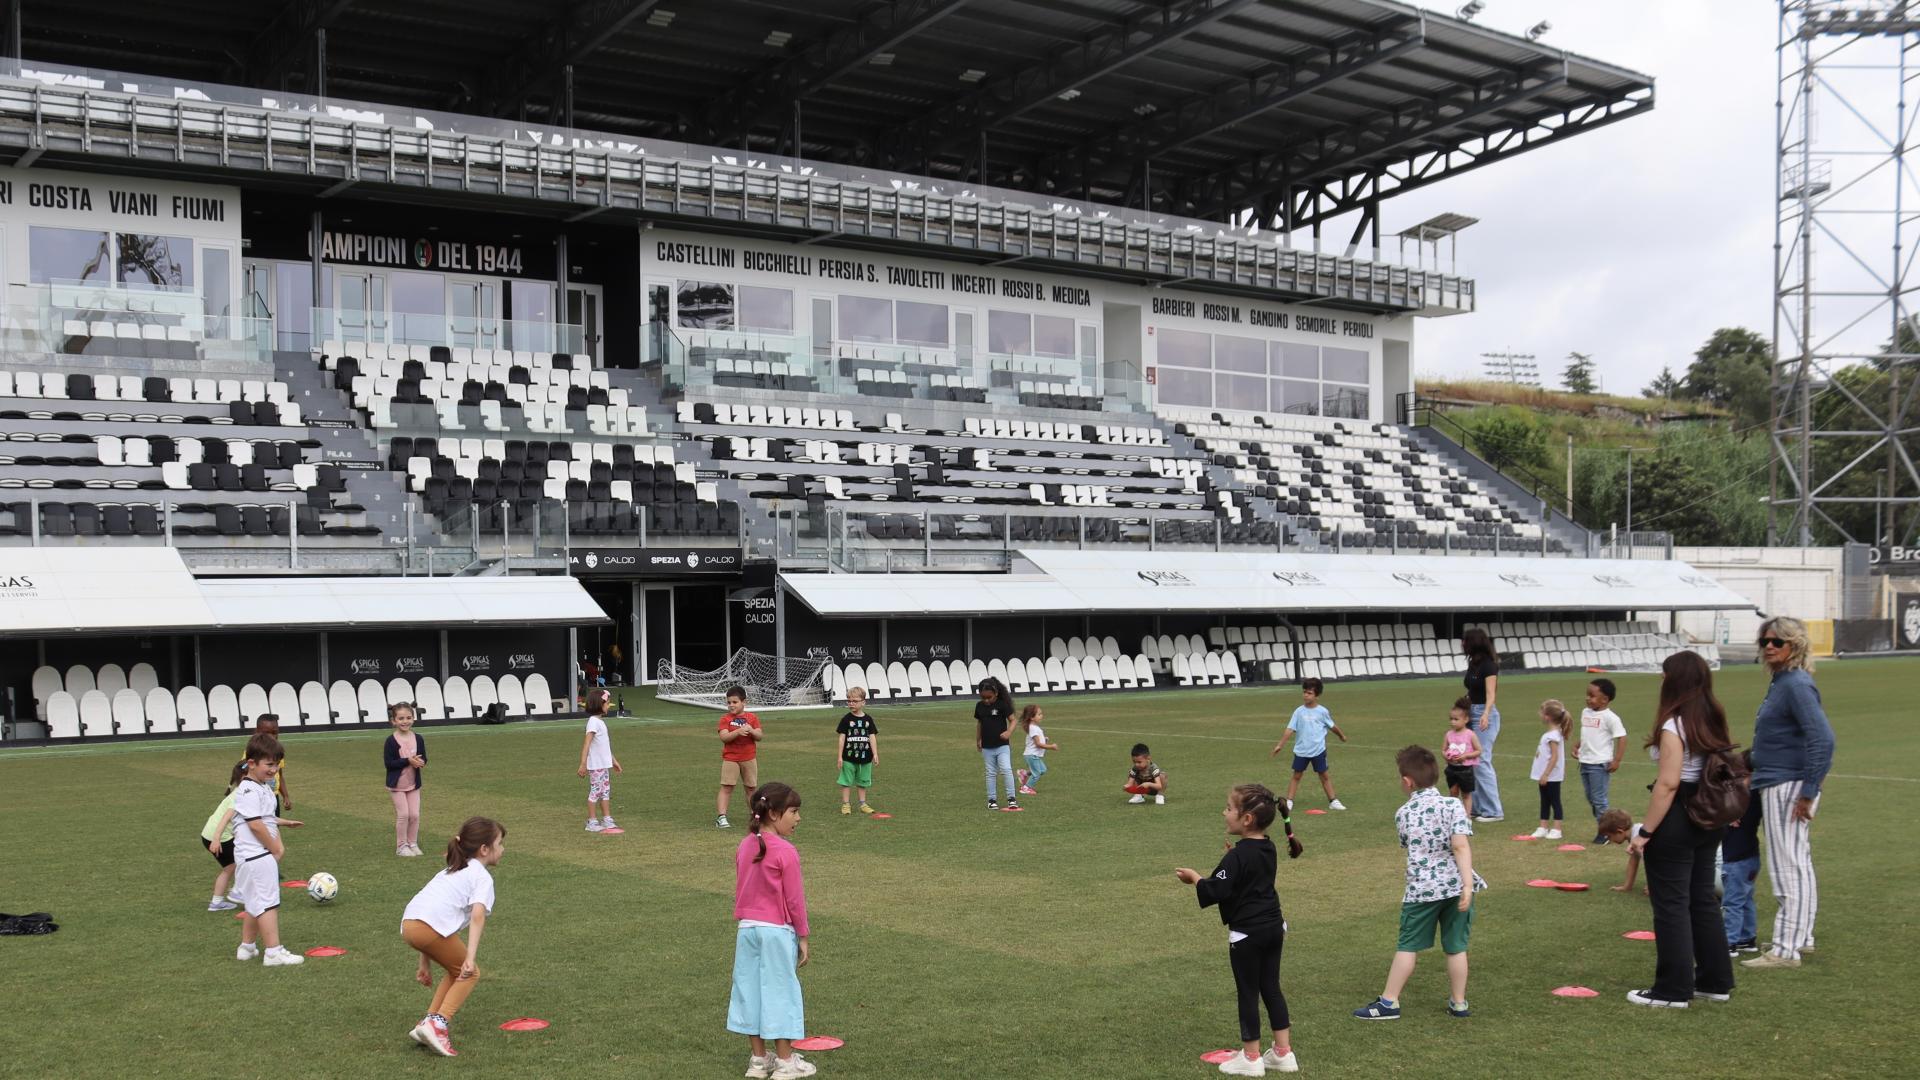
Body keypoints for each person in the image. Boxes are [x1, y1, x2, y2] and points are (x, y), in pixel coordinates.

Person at [1624, 651, 1736, 1008]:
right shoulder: (1712, 717)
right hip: (1709, 816)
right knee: (1702, 900)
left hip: (1679, 816)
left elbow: (1668, 784)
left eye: (1665, 674)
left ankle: (1672, 990)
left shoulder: (1674, 725)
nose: (1661, 679)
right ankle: (1715, 981)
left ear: (1676, 681)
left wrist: (1645, 832)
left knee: (1671, 904)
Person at [1174, 784, 1304, 1076]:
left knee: (1248, 992)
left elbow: (1215, 890)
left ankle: (1251, 1057)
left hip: (1248, 933)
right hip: (1274, 926)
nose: (1225, 812)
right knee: (1271, 987)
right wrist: (1233, 861)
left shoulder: (1236, 857)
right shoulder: (1268, 846)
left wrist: (1194, 878)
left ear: (1246, 819)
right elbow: (1248, 880)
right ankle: (1283, 1053)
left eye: (1229, 808)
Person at [1352, 746, 1484, 1021]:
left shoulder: (1403, 813)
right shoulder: (1454, 805)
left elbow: (1408, 843)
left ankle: (1389, 1002)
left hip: (1421, 890)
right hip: (1456, 886)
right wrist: (1467, 885)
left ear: (1407, 781)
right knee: (1456, 947)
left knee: (1408, 945)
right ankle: (1459, 1002)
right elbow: (1460, 845)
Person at [1744, 616, 1835, 971]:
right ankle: (1801, 938)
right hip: (1783, 780)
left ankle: (1786, 950)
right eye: (1765, 641)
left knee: (1787, 866)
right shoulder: (1784, 681)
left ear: (1794, 645)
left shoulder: (1795, 684)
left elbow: (1823, 739)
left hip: (1787, 784)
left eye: (1777, 642)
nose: (1769, 647)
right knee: (1798, 861)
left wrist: (1809, 791)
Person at [729, 783, 816, 1080]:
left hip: (747, 930)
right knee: (780, 992)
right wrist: (803, 935)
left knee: (750, 991)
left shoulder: (744, 845)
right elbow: (795, 899)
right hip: (776, 931)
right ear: (775, 814)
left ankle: (758, 1060)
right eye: (794, 812)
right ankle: (785, 1062)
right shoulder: (786, 851)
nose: (798, 818)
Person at [401, 816, 507, 1057]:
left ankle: (427, 1023)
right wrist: (470, 957)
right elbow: (477, 915)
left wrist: (424, 962)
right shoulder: (481, 877)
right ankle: (438, 1026)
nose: (502, 849)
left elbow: (434, 915)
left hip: (409, 925)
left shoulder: (451, 870)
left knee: (455, 971)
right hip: (426, 928)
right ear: (484, 849)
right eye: (499, 844)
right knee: (470, 973)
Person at [232, 732, 303, 967]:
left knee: (255, 902)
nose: (274, 770)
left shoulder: (260, 786)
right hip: (256, 855)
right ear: (252, 763)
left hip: (254, 856)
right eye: (269, 765)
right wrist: (274, 849)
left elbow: (263, 818)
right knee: (268, 902)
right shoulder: (249, 790)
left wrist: (284, 823)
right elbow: (255, 824)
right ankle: (273, 952)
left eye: (276, 765)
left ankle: (247, 947)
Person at [1268, 678, 1348, 811]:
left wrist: (1341, 736)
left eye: (1309, 693)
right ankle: (1289, 801)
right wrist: (1280, 745)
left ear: (1317, 695)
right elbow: (1290, 729)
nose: (1306, 695)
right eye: (1304, 692)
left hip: (1318, 750)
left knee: (1324, 776)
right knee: (1297, 776)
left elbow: (1332, 726)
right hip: (1302, 751)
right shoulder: (1298, 712)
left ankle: (1333, 801)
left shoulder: (1322, 711)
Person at [1721, 753, 1764, 957]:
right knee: (1745, 900)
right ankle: (1747, 938)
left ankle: (1730, 941)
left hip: (1737, 859)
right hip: (1749, 856)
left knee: (1732, 902)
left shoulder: (1744, 798)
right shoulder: (1751, 796)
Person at [1577, 678, 1628, 844]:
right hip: (1585, 762)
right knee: (1591, 798)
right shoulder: (1585, 712)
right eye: (1587, 694)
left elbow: (1622, 737)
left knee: (1599, 800)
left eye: (1591, 695)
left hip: (1599, 764)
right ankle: (1607, 825)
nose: (1587, 698)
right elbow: (1587, 733)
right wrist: (1578, 745)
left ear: (1604, 699)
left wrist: (1617, 760)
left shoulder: (1610, 717)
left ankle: (1606, 833)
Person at [1460, 628, 1503, 822]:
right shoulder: (1473, 664)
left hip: (1484, 715)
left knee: (1481, 759)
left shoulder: (1489, 666)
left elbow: (1491, 694)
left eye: (1465, 640)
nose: (1462, 644)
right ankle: (1477, 807)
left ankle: (1494, 810)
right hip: (1471, 713)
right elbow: (1472, 689)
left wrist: (1485, 713)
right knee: (1470, 761)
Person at [200, 760, 248, 911]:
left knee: (231, 866)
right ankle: (238, 892)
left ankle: (217, 902)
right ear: (244, 777)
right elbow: (226, 818)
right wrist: (216, 839)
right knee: (241, 863)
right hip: (218, 837)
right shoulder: (241, 794)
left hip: (209, 834)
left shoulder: (242, 791)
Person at [384, 702, 427, 857]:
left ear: (413, 719)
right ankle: (401, 846)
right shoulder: (391, 741)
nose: (405, 721)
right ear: (394, 721)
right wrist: (408, 761)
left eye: (408, 718)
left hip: (413, 784)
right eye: (401, 718)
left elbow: (424, 758)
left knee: (414, 815)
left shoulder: (418, 738)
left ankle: (412, 843)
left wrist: (420, 762)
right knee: (404, 815)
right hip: (397, 785)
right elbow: (389, 763)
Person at [717, 685, 763, 829]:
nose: (731, 705)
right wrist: (738, 732)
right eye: (729, 702)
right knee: (727, 787)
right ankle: (721, 817)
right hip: (731, 758)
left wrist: (751, 731)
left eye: (735, 702)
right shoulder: (725, 719)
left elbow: (759, 736)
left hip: (749, 758)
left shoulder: (752, 718)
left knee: (751, 788)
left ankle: (755, 816)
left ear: (744, 702)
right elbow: (724, 737)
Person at [578, 688, 623, 832]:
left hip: (604, 765)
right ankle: (592, 822)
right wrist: (583, 764)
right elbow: (587, 744)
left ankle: (607, 819)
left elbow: (605, 746)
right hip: (596, 766)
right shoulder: (593, 722)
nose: (608, 706)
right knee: (596, 792)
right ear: (599, 704)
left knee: (605, 792)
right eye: (607, 703)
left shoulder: (600, 722)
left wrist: (613, 761)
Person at [974, 678, 1020, 812]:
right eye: (983, 697)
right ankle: (992, 800)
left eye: (989, 697)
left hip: (1002, 746)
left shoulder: (1002, 704)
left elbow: (1013, 720)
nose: (986, 700)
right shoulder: (979, 706)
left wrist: (1008, 732)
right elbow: (979, 723)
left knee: (1006, 769)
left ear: (996, 693)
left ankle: (1011, 798)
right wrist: (978, 740)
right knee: (990, 773)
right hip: (987, 747)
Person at [1528, 699, 1571, 840]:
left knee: (1554, 801)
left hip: (1551, 776)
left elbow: (1554, 757)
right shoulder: (1551, 734)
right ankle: (1543, 827)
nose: (1539, 714)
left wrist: (1546, 774)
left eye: (1541, 712)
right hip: (1544, 775)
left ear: (1548, 716)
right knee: (1544, 801)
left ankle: (1557, 829)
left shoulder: (1553, 736)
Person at [834, 687, 879, 815]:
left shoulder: (868, 720)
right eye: (849, 701)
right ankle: (846, 804)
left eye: (855, 701)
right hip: (848, 757)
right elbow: (842, 738)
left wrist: (875, 753)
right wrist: (840, 757)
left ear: (863, 702)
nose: (851, 703)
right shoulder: (846, 719)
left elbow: (872, 736)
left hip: (865, 758)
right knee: (846, 782)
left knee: (863, 781)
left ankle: (863, 804)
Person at [1441, 697, 1482, 818]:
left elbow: (1479, 751)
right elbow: (1443, 750)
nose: (1453, 722)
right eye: (1451, 719)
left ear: (1466, 719)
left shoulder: (1470, 734)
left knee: (1466, 794)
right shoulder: (1449, 734)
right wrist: (1446, 757)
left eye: (1456, 719)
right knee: (1453, 792)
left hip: (1465, 769)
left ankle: (1467, 817)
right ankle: (1452, 816)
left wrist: (1466, 756)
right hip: (1452, 768)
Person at [1599, 809, 1646, 894]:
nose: (1610, 840)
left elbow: (1657, 864)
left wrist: (1655, 885)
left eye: (1609, 836)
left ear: (1619, 831)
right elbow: (1633, 862)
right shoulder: (1635, 833)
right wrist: (1627, 887)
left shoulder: (1639, 840)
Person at [255, 716, 292, 815]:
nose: (271, 737)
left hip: (273, 796)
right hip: (258, 798)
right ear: (257, 732)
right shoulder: (253, 752)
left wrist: (285, 796)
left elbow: (279, 775)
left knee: (274, 823)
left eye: (274, 733)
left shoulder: (277, 752)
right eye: (266, 733)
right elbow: (243, 772)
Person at [1017, 705, 1056, 796]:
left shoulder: (1035, 727)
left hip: (1034, 755)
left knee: (1043, 770)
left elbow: (1037, 740)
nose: (1041, 716)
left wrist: (1044, 739)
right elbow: (1037, 744)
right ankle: (1026, 788)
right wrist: (1051, 747)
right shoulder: (1033, 728)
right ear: (1032, 717)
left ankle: (1024, 773)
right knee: (1037, 773)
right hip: (1032, 755)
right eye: (1039, 714)